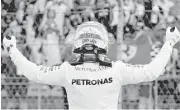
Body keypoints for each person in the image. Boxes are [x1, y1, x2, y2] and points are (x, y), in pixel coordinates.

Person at [3, 21, 180, 109]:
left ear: (77, 44)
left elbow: (33, 73)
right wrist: (169, 43)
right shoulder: (117, 69)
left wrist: (12, 50)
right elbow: (152, 72)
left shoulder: (67, 70)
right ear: (103, 44)